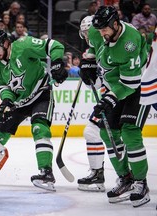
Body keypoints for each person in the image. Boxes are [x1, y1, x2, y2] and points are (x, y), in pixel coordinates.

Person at [79, 6, 151, 207]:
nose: (102, 34)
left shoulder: (130, 42)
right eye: (99, 31)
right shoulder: (97, 30)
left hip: (139, 84)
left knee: (129, 132)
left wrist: (109, 98)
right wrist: (89, 62)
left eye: (105, 30)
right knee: (106, 132)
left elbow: (130, 83)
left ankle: (140, 182)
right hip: (116, 86)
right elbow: (93, 46)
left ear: (115, 24)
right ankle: (125, 178)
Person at [0, 29, 68, 191]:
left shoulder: (24, 46)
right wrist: (7, 100)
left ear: (6, 43)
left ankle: (46, 172)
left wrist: (57, 62)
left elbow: (54, 46)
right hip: (19, 102)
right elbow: (3, 86)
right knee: (1, 128)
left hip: (41, 94)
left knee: (39, 128)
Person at [77, 15, 106, 192]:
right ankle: (98, 174)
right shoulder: (93, 50)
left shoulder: (106, 47)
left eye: (90, 32)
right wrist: (88, 76)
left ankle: (128, 177)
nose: (88, 36)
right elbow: (96, 84)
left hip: (118, 96)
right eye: (85, 33)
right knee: (92, 132)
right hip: (108, 97)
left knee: (94, 132)